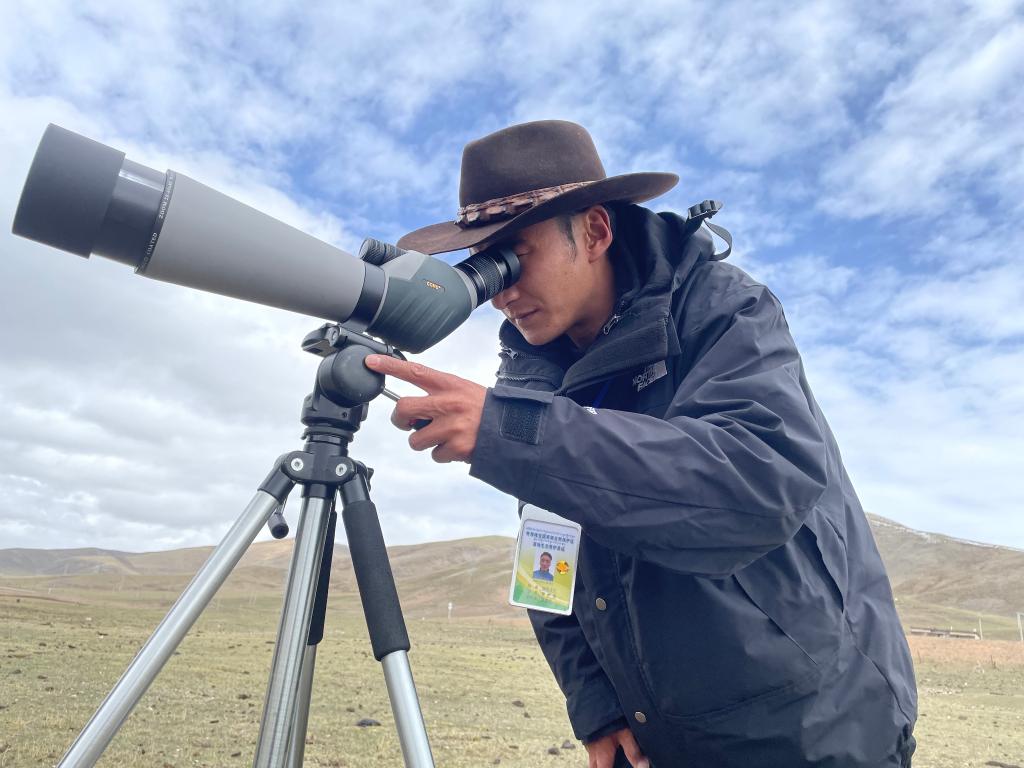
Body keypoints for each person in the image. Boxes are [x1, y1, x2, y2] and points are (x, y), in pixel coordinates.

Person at [364, 120, 917, 767]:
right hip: (660, 739)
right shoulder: (532, 378)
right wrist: (594, 703)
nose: (502, 292)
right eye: (485, 266)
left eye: (515, 254)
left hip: (815, 731)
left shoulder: (724, 311)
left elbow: (755, 483)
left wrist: (510, 430)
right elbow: (546, 556)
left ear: (596, 231)